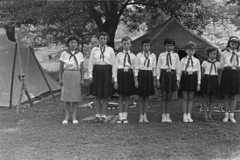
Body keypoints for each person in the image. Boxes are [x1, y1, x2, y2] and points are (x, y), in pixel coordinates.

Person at [88, 31, 116, 123]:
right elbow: (90, 63)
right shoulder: (94, 50)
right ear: (98, 39)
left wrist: (113, 76)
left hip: (107, 72)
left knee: (105, 95)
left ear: (107, 39)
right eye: (101, 38)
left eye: (104, 38)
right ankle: (97, 115)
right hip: (97, 72)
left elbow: (114, 64)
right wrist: (90, 75)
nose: (103, 40)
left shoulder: (110, 50)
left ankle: (104, 115)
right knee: (97, 94)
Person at [59, 35, 84, 124]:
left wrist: (82, 79)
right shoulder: (64, 54)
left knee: (75, 96)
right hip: (67, 74)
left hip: (76, 75)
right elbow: (61, 67)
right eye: (71, 42)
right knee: (66, 96)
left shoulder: (80, 54)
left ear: (77, 44)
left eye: (75, 43)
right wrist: (60, 78)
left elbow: (82, 68)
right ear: (68, 44)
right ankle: (66, 116)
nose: (73, 44)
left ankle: (74, 116)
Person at [156, 38, 180, 122]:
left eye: (171, 45)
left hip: (172, 75)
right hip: (164, 75)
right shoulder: (161, 55)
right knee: (164, 96)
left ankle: (168, 115)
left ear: (173, 46)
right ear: (164, 46)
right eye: (167, 45)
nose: (169, 47)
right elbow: (158, 67)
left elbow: (178, 68)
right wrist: (158, 79)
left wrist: (177, 80)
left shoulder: (176, 56)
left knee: (169, 96)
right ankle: (163, 115)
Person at [113, 36, 136, 123]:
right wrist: (115, 81)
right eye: (124, 44)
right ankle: (120, 116)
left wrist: (135, 80)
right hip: (121, 75)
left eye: (128, 44)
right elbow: (115, 68)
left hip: (129, 76)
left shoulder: (133, 56)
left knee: (127, 97)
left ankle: (125, 116)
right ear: (122, 45)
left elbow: (135, 69)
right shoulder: (118, 55)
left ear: (130, 45)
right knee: (121, 97)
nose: (126, 46)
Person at [135, 38, 156, 123]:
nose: (146, 47)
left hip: (149, 75)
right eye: (144, 45)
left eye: (148, 45)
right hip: (141, 75)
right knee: (141, 97)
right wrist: (136, 80)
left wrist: (154, 80)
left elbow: (154, 69)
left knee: (146, 97)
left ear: (150, 46)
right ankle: (140, 115)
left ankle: (145, 115)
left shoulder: (153, 56)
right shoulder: (138, 55)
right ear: (142, 46)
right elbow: (136, 68)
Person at [220, 36, 240, 123]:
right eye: (232, 44)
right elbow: (221, 65)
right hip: (227, 73)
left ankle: (232, 115)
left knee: (233, 95)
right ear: (229, 44)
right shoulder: (224, 53)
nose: (234, 46)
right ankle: (226, 115)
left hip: (236, 74)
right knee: (226, 95)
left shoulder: (239, 54)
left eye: (236, 44)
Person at [180, 41, 201, 123]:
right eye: (189, 50)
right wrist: (178, 80)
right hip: (185, 77)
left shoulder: (197, 61)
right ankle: (184, 115)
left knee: (191, 98)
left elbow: (199, 72)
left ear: (195, 51)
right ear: (185, 50)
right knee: (185, 97)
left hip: (193, 77)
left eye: (192, 50)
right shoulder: (182, 60)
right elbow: (179, 71)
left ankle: (189, 114)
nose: (191, 52)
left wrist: (198, 83)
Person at [201, 48, 221, 122]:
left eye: (214, 54)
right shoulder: (204, 63)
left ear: (216, 55)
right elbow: (202, 74)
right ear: (208, 54)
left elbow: (219, 75)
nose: (213, 55)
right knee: (206, 98)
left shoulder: (218, 64)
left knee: (212, 99)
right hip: (206, 80)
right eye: (211, 54)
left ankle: (210, 115)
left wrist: (218, 83)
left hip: (214, 80)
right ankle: (205, 115)